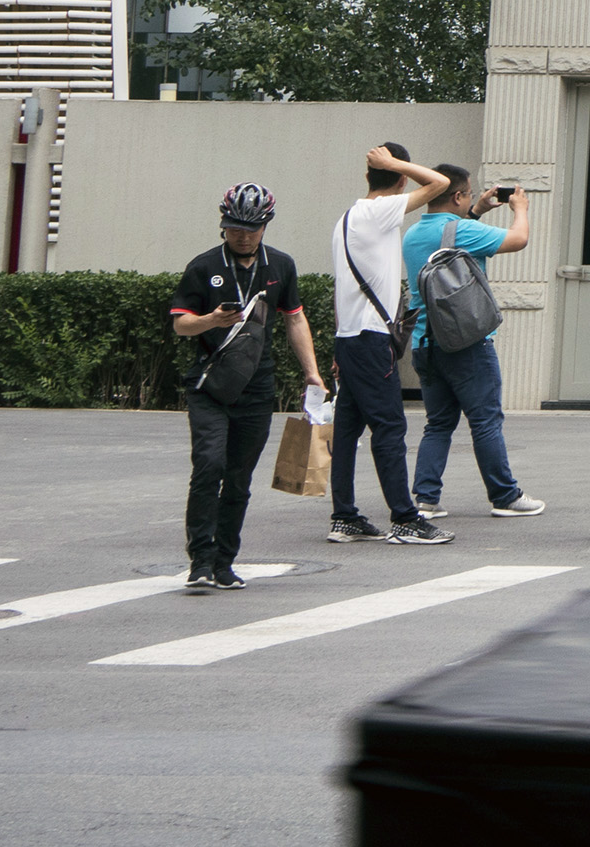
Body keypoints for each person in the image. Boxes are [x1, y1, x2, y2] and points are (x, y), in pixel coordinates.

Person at [168, 180, 327, 591]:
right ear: (223, 225)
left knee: (239, 477)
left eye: (251, 229)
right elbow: (181, 324)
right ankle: (200, 561)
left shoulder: (280, 266)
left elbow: (295, 318)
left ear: (265, 226)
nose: (242, 236)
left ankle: (224, 562)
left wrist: (311, 371)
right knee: (209, 465)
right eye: (235, 228)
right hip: (209, 384)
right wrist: (211, 320)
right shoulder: (204, 266)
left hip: (256, 388)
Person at [325, 142, 466, 546]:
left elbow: (342, 287)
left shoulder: (348, 217)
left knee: (348, 430)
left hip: (351, 337)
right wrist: (395, 163)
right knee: (389, 427)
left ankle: (345, 516)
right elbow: (439, 183)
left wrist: (339, 345)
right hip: (371, 340)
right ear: (401, 179)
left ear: (367, 176)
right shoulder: (379, 210)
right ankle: (405, 519)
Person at [405, 162, 543, 525]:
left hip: (425, 342)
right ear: (457, 196)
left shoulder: (413, 234)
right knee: (485, 420)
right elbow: (518, 239)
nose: (470, 199)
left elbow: (449, 238)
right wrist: (520, 209)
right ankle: (505, 495)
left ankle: (426, 499)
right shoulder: (464, 230)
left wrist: (478, 209)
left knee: (438, 423)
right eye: (468, 194)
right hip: (467, 343)